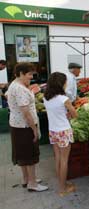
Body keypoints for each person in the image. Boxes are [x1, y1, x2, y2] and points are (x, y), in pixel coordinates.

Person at [6, 62, 48, 192]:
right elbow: (26, 112)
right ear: (20, 74)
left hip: (17, 125)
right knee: (30, 156)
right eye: (29, 74)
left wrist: (29, 89)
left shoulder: (15, 85)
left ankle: (26, 179)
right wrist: (34, 129)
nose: (31, 77)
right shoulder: (19, 89)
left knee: (23, 154)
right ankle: (33, 184)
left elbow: (9, 96)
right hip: (25, 126)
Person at [43, 72, 77, 197]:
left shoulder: (46, 98)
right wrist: (70, 113)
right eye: (65, 81)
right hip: (63, 131)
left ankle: (62, 183)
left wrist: (65, 114)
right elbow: (75, 114)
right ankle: (63, 189)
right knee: (64, 160)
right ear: (61, 83)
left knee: (57, 158)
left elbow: (54, 113)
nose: (66, 83)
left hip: (53, 130)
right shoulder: (64, 99)